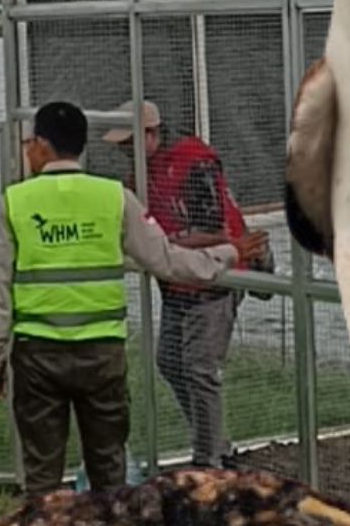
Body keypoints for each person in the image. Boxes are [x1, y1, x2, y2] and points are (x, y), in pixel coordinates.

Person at [0, 101, 268, 498]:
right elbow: (168, 260)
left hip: (38, 357)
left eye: (29, 144)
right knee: (109, 474)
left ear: (42, 146)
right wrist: (230, 254)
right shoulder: (115, 198)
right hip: (102, 356)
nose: (27, 151)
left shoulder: (15, 203)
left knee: (42, 476)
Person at [103, 99, 273, 470]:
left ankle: (209, 459)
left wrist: (164, 246)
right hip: (178, 279)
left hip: (215, 277)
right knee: (171, 362)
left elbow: (214, 229)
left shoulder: (194, 162)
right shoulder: (139, 177)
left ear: (152, 134)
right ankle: (215, 443)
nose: (124, 153)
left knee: (199, 368)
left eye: (129, 143)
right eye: (121, 147)